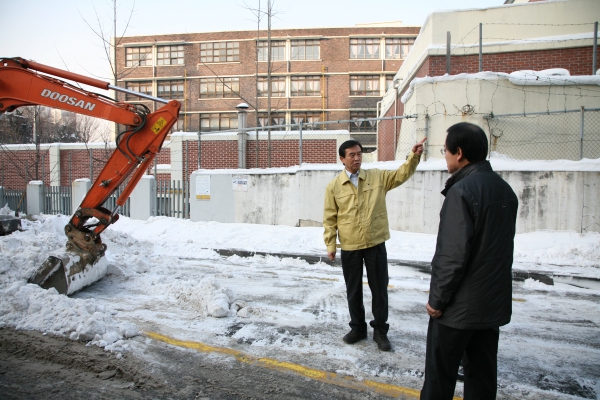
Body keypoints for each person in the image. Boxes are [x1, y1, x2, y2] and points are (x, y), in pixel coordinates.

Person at [420, 122, 518, 399]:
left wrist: (437, 302)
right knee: (482, 378)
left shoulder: (461, 191)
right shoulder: (503, 189)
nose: (445, 156)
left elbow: (453, 256)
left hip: (457, 310)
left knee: (439, 379)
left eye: (445, 150)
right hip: (490, 307)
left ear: (459, 153)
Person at [323, 137, 427, 351]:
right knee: (353, 291)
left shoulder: (376, 177)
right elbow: (330, 218)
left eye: (359, 153)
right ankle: (358, 328)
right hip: (350, 245)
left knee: (379, 289)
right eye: (351, 154)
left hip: (375, 242)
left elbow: (401, 175)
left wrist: (413, 157)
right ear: (342, 159)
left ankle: (380, 330)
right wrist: (331, 244)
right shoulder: (334, 186)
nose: (356, 157)